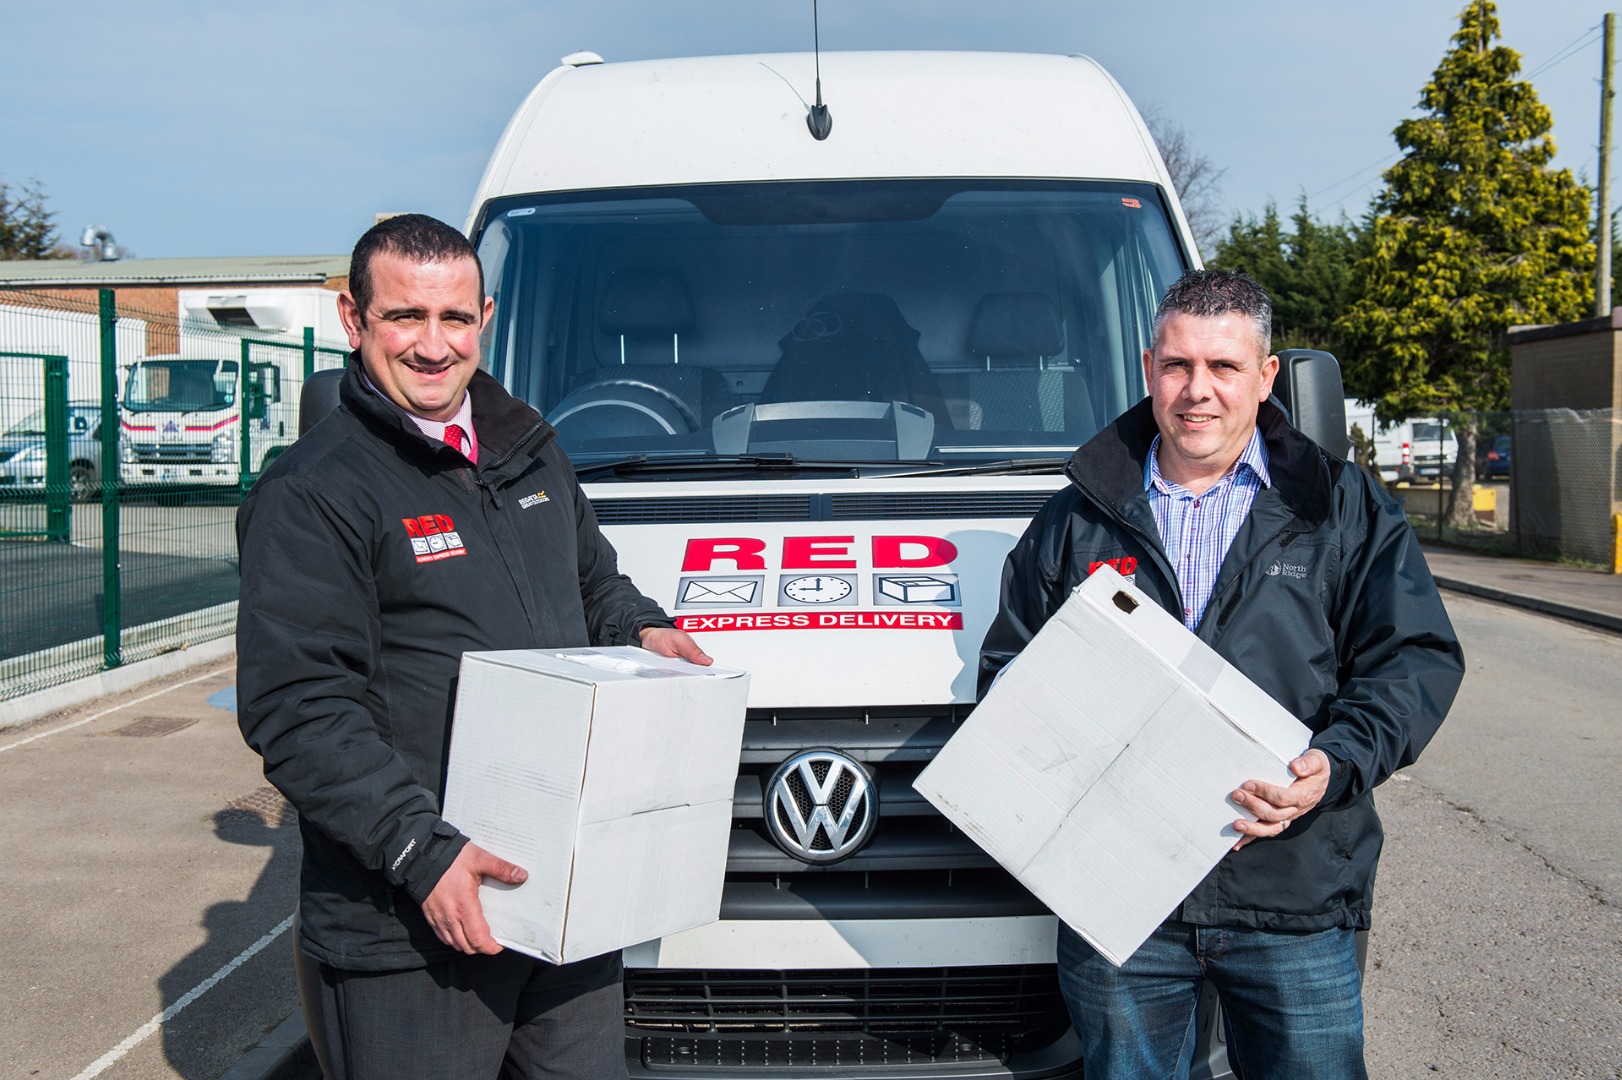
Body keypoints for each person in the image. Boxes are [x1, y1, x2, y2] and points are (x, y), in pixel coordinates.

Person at [236, 213, 711, 1079]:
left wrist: (643, 629)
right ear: (353, 318)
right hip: (410, 924)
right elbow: (298, 709)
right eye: (404, 317)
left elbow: (592, 581)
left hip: (552, 902)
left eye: (454, 318)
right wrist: (421, 851)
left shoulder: (529, 449)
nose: (433, 345)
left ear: (484, 318)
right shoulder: (315, 490)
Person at [978, 269, 1464, 1079]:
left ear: (1266, 376)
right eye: (1177, 365)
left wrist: (1337, 761)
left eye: (1224, 367)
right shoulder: (1077, 516)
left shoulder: (1340, 506)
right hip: (1120, 900)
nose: (1197, 390)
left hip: (1293, 889)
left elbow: (1412, 659)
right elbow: (1011, 670)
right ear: (1148, 369)